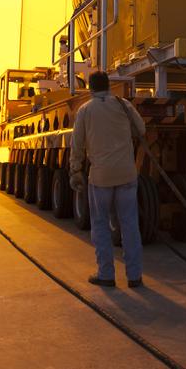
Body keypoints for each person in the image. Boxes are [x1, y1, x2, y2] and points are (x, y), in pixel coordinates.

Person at [70, 72, 146, 289]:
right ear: (109, 86)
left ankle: (106, 274)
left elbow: (77, 144)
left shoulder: (85, 110)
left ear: (91, 89)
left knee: (101, 225)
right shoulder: (123, 105)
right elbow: (140, 130)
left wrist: (75, 170)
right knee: (130, 225)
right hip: (126, 175)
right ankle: (134, 276)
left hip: (101, 178)